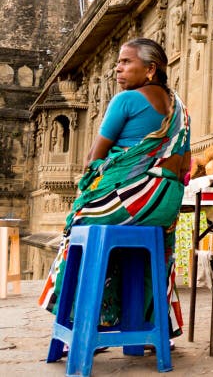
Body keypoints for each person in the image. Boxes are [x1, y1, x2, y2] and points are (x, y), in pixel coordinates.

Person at [39, 38, 191, 340]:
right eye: (118, 62)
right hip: (165, 204)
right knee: (152, 253)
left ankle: (80, 327)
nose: (117, 69)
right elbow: (185, 165)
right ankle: (151, 328)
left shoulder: (125, 101)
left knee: (77, 231)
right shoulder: (180, 108)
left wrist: (103, 173)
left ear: (150, 70)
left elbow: (93, 159)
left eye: (125, 62)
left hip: (131, 198)